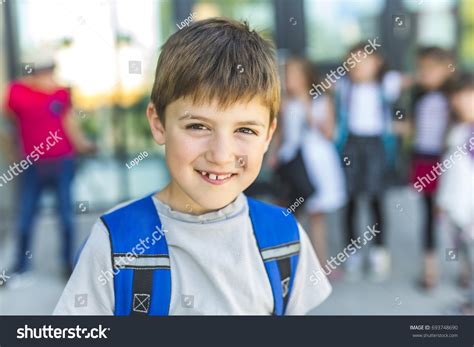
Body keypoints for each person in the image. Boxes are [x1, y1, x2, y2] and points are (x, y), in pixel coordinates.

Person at [53, 18, 332, 315]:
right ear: (158, 124)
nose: (221, 155)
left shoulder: (285, 238)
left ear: (268, 135)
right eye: (198, 126)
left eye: (245, 130)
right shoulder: (115, 242)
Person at [2, 52, 95, 283]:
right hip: (32, 165)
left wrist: (84, 145)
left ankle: (67, 264)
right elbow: (5, 121)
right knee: (25, 216)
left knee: (65, 216)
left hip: (62, 162)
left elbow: (68, 122)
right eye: (44, 71)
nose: (48, 75)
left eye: (51, 70)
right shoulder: (17, 93)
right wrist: (12, 152)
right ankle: (21, 266)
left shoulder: (61, 93)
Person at [334, 42, 404, 281]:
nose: (359, 67)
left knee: (376, 198)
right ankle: (352, 250)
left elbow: (413, 79)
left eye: (365, 61)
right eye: (353, 62)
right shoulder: (343, 87)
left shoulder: (387, 84)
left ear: (377, 63)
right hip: (351, 144)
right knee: (350, 198)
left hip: (376, 145)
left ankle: (379, 250)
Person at [272, 56, 346, 270]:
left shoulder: (322, 101)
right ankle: (290, 262)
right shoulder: (285, 103)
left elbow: (330, 133)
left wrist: (308, 110)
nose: (289, 79)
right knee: (290, 211)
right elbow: (281, 133)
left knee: (316, 213)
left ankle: (320, 263)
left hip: (316, 162)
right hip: (292, 161)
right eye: (287, 75)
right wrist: (274, 155)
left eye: (294, 74)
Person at [409, 47, 454, 288]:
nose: (423, 74)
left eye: (429, 69)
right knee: (428, 214)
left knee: (455, 215)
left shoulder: (455, 98)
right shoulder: (418, 96)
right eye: (421, 69)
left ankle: (465, 268)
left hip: (449, 161)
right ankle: (430, 271)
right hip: (424, 159)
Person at [436, 73, 474, 313]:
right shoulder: (458, 128)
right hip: (456, 206)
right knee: (466, 256)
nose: (460, 101)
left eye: (467, 95)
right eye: (456, 96)